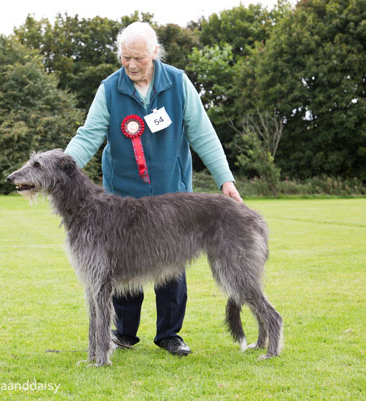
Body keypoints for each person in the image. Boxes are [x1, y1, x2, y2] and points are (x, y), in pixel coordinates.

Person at [64, 21, 242, 357]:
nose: (131, 65)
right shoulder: (110, 88)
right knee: (122, 261)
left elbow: (203, 134)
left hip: (171, 193)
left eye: (139, 58)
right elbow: (88, 135)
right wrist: (63, 165)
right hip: (122, 194)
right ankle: (124, 333)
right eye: (125, 57)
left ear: (155, 53)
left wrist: (226, 180)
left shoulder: (177, 82)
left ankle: (169, 334)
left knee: (172, 261)